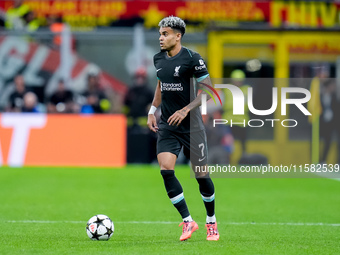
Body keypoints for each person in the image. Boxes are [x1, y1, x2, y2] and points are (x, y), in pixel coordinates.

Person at [147, 16, 219, 241]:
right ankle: (188, 222)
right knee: (166, 169)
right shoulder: (158, 58)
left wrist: (186, 110)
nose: (161, 38)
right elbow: (161, 84)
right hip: (168, 124)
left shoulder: (192, 58)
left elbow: (208, 90)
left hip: (192, 126)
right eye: (160, 34)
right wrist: (152, 110)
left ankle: (211, 222)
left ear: (178, 36)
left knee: (201, 175)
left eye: (165, 34)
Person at [222, 69, 250, 155]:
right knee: (228, 142)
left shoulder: (247, 89)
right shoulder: (226, 89)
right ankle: (226, 160)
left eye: (239, 81)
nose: (237, 82)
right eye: (236, 80)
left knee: (243, 143)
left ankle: (244, 160)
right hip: (228, 120)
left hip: (242, 121)